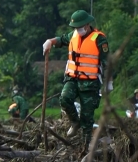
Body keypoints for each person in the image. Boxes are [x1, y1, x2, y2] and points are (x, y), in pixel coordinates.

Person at [42, 10, 111, 150]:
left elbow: (108, 62)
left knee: (87, 118)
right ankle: (74, 122)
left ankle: (85, 149)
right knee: (64, 99)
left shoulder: (99, 39)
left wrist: (109, 82)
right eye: (75, 27)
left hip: (90, 84)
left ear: (87, 25)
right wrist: (50, 42)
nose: (77, 30)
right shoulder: (73, 35)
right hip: (72, 79)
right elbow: (60, 40)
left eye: (79, 27)